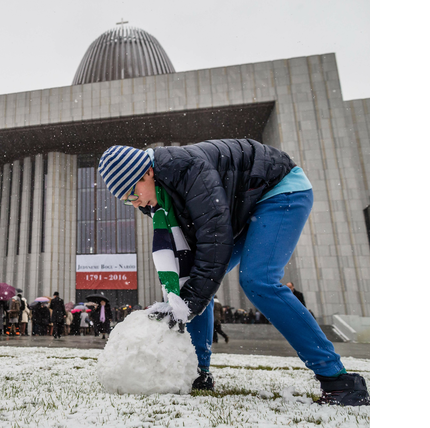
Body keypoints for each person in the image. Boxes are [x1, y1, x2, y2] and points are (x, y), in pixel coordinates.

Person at [98, 140, 369, 405]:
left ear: (147, 172)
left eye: (132, 194)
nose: (135, 204)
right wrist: (179, 298)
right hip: (243, 209)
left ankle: (338, 379)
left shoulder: (187, 169)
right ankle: (198, 372)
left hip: (278, 189)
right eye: (126, 201)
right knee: (193, 284)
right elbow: (190, 258)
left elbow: (214, 239)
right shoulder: (158, 198)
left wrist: (188, 306)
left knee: (258, 280)